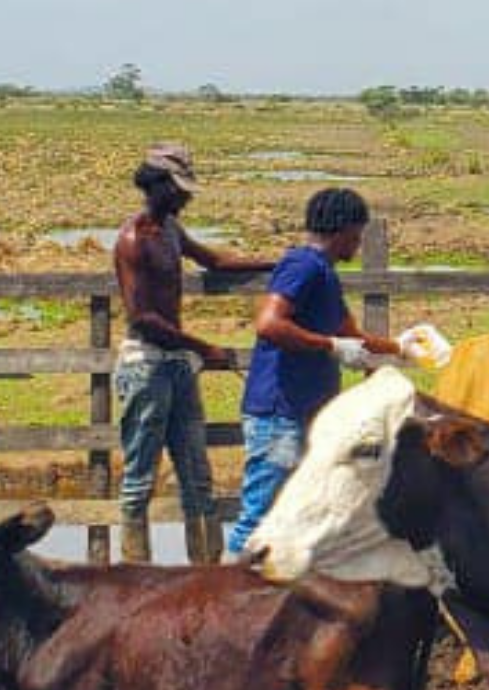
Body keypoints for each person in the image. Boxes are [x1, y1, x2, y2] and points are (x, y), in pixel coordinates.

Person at [110, 145, 271, 564]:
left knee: (198, 476)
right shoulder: (133, 240)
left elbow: (214, 261)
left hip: (177, 364)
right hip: (145, 364)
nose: (187, 197)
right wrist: (204, 347)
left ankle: (205, 569)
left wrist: (279, 261)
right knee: (139, 478)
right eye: (180, 189)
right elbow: (142, 316)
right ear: (158, 185)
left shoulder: (170, 230)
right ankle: (135, 570)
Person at [226, 185, 402, 554]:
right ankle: (226, 595)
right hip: (280, 414)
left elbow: (349, 334)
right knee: (260, 516)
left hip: (305, 413)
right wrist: (331, 347)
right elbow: (269, 324)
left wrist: (402, 348)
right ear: (343, 230)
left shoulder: (323, 273)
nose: (358, 242)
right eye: (357, 233)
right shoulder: (304, 266)